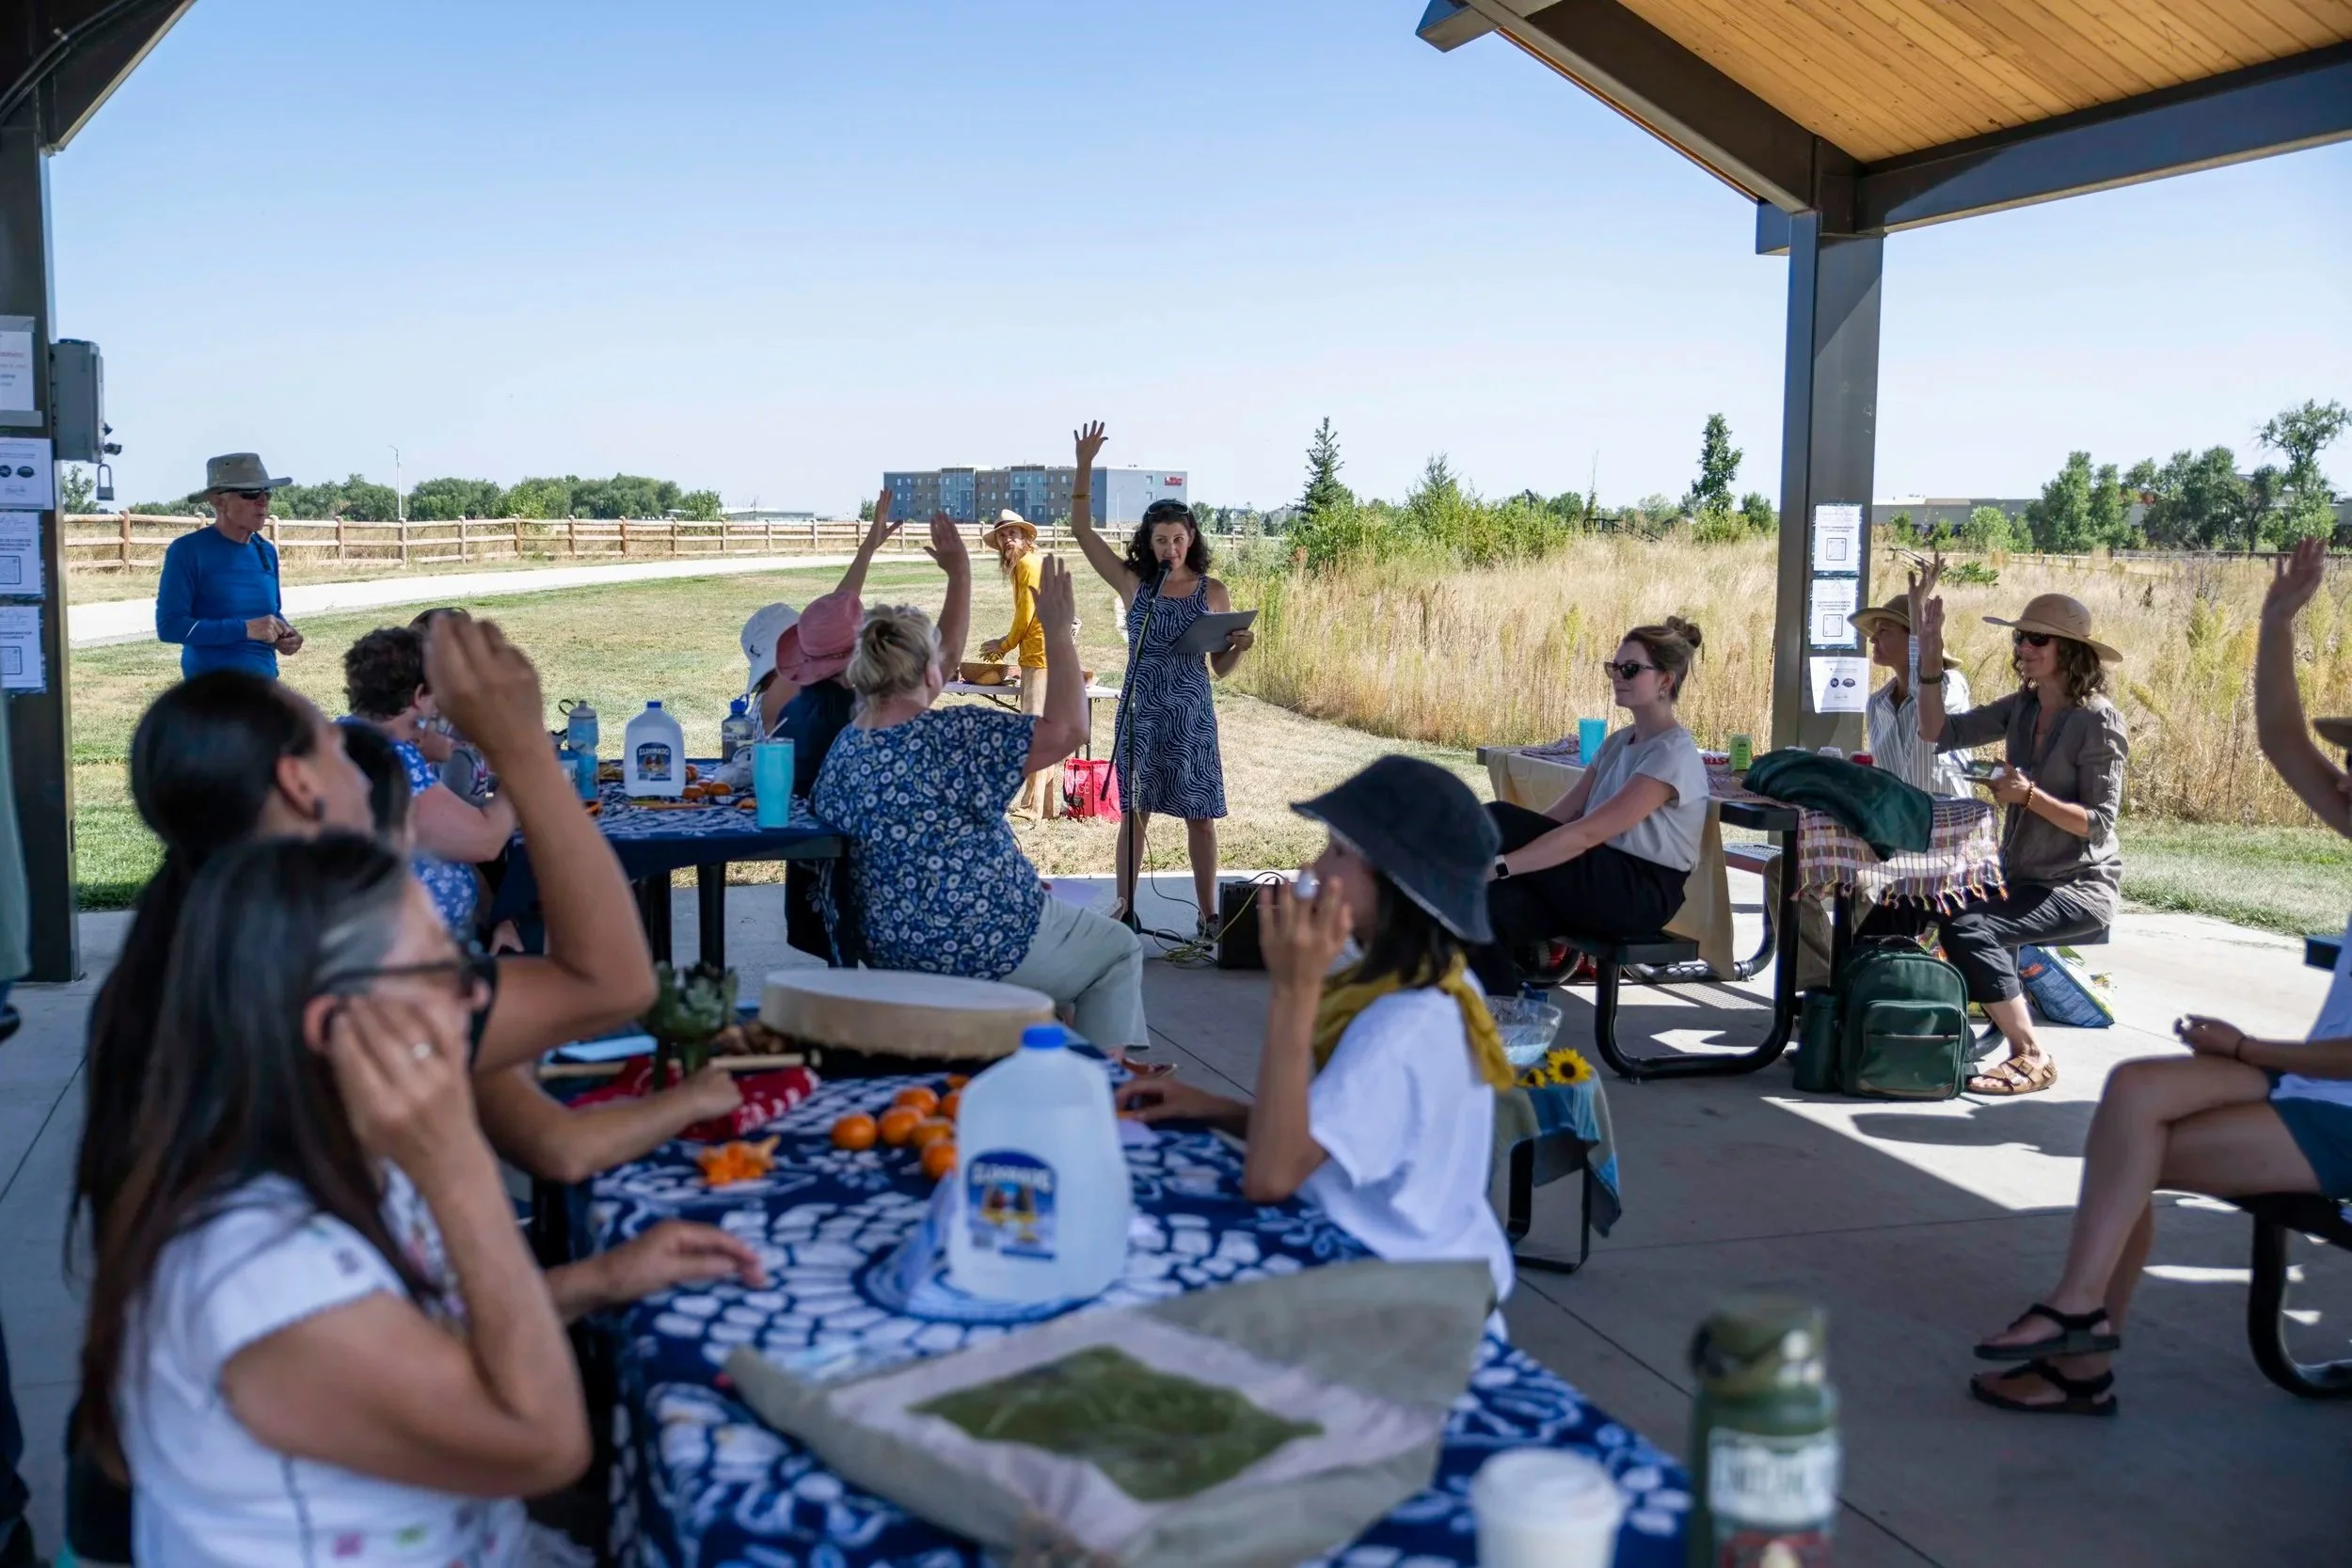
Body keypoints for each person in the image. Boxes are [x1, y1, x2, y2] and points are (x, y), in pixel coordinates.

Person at [64, 620, 675, 1563]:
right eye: (325, 736)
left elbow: (402, 1307)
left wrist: (597, 1279)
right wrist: (518, 749)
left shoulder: (211, 966)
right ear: (301, 783)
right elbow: (544, 1442)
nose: (469, 990)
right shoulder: (265, 1236)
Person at [1967, 538, 2349, 1415]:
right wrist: (2277, 619)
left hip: (2339, 1105)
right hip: (2313, 1085)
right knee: (2134, 1096)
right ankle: (2079, 1332)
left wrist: (2249, 1046)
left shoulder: (2094, 724)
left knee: (2130, 1157)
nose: (2344, 777)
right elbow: (2284, 741)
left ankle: (2081, 1345)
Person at [1116, 756, 1516, 1305]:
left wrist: (1292, 990)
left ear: (1398, 884)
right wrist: (1208, 1106)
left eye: (1340, 853)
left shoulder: (1399, 1028)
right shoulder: (1440, 981)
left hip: (1395, 1298)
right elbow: (1331, 1139)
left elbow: (1273, 1177)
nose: (1314, 870)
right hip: (1414, 1267)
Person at [812, 521, 1145, 1051]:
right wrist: (1057, 632)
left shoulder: (844, 750)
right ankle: (1106, 1094)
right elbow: (1073, 730)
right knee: (1118, 951)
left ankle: (1045, 1067)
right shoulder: (956, 734)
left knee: (1059, 988)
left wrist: (961, 575)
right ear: (929, 675)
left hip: (889, 948)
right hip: (983, 939)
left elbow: (941, 659)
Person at [1909, 590, 2128, 1097]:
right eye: (2020, 637)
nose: (2024, 647)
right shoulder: (2024, 706)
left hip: (2078, 887)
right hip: (2022, 877)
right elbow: (1935, 730)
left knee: (1970, 929)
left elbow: (2097, 823)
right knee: (1922, 904)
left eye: (2037, 638)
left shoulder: (2098, 719)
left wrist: (2028, 795)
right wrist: (1929, 659)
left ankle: (2030, 1054)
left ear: (2071, 651)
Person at [1468, 618, 1711, 995]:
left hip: (1638, 891)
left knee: (1499, 819)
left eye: (1630, 669)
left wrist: (1501, 865)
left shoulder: (1672, 753)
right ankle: (1503, 1026)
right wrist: (1503, 869)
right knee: (1487, 908)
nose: (1617, 676)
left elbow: (1587, 832)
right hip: (1596, 876)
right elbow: (1556, 818)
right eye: (1613, 667)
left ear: (1666, 681)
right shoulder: (1618, 742)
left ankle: (1413, 870)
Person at [769, 492, 900, 958]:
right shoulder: (858, 718)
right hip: (851, 878)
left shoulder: (796, 704)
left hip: (810, 875)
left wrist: (867, 549)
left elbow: (831, 617)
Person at [344, 625, 517, 938]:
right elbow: (486, 841)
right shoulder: (392, 756)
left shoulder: (347, 736)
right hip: (418, 949)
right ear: (418, 696)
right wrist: (521, 767)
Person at [154, 452, 304, 679]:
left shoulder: (265, 551)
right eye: (251, 492)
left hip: (265, 693)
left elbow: (270, 612)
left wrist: (285, 634)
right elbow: (170, 627)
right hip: (211, 695)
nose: (263, 500)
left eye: (267, 492)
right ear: (218, 501)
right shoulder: (187, 551)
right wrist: (245, 630)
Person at [1851, 566, 1974, 798]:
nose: (1873, 639)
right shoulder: (1878, 704)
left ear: (1914, 638)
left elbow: (1926, 689)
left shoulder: (1952, 685)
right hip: (1897, 824)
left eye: (1884, 631)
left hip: (1945, 824)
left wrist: (1918, 615)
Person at [977, 510, 1064, 821]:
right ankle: (1045, 805)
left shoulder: (1027, 564)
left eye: (1013, 534)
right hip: (1042, 654)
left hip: (1041, 656)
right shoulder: (1027, 564)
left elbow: (1025, 616)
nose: (1007, 539)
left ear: (1026, 537)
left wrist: (1003, 645)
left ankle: (1032, 807)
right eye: (1002, 536)